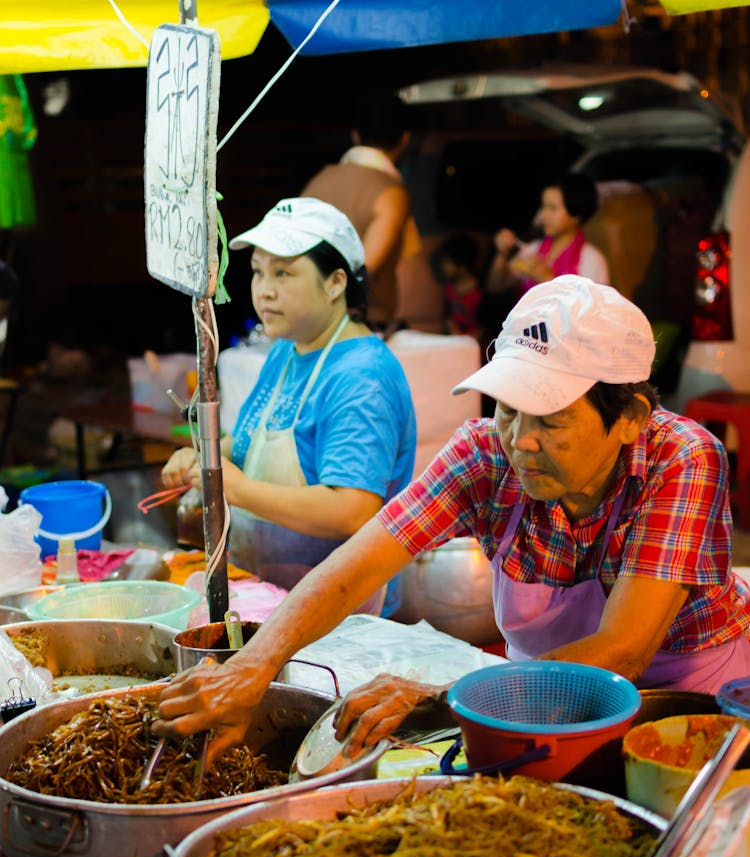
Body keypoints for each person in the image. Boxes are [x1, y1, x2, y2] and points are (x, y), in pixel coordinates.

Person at [155, 275, 750, 764]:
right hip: (526, 700)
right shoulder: (484, 452)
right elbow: (355, 567)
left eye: (550, 418)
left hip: (679, 709)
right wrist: (251, 670)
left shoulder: (683, 459)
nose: (522, 442)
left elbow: (623, 651)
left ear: (630, 418)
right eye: (508, 410)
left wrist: (442, 700)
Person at [161, 197, 417, 616]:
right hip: (270, 599)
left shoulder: (361, 375)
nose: (265, 289)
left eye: (284, 272)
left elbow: (352, 509)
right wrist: (204, 458)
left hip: (341, 613)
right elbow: (247, 443)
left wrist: (239, 490)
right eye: (259, 272)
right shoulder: (287, 352)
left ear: (335, 283)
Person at [301, 94, 419, 330]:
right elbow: (364, 270)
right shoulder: (391, 192)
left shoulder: (319, 180)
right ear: (405, 139)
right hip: (359, 323)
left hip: (308, 318)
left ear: (355, 136)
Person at [485, 172, 609, 298]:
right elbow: (495, 287)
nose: (544, 215)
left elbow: (593, 311)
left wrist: (548, 278)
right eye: (543, 206)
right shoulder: (534, 249)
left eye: (552, 208)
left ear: (576, 214)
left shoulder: (592, 260)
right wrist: (502, 254)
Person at [436, 233, 484, 342]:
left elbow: (484, 325)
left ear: (462, 266)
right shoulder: (449, 287)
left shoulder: (480, 291)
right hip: (456, 341)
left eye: (446, 261)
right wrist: (456, 336)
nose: (442, 265)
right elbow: (448, 317)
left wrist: (468, 341)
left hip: (476, 342)